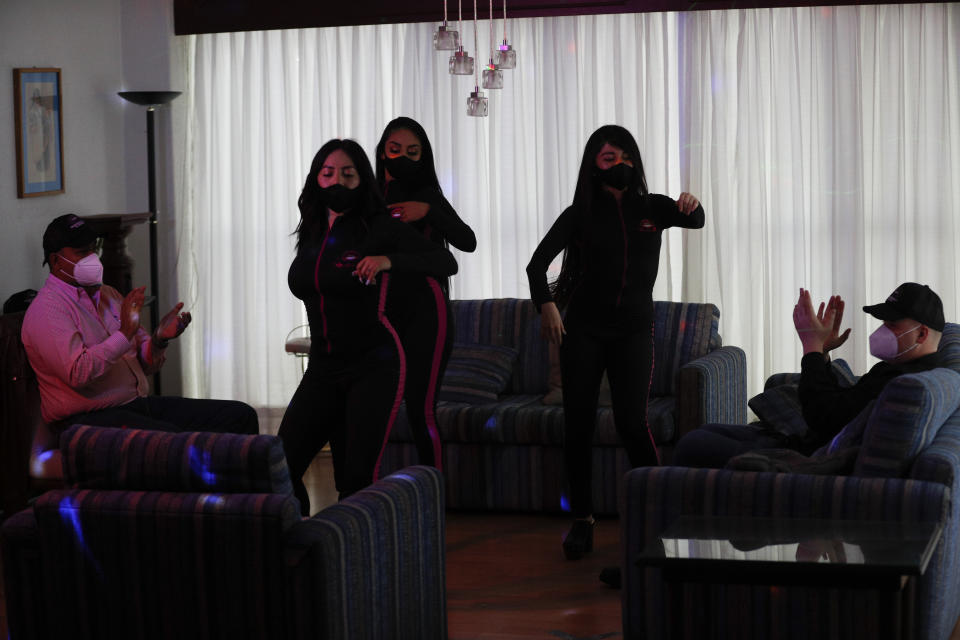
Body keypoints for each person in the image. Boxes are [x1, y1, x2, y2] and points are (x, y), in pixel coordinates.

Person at [526, 125, 705, 560]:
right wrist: (547, 306)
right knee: (579, 424)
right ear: (593, 165)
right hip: (583, 333)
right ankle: (582, 519)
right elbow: (536, 266)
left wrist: (692, 202)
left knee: (631, 422)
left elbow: (696, 220)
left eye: (625, 158)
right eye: (609, 158)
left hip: (633, 332)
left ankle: (658, 515)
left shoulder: (652, 208)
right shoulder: (580, 214)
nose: (619, 165)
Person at [279, 138, 458, 516]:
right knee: (281, 465)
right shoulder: (311, 228)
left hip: (374, 366)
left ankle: (358, 563)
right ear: (316, 179)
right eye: (328, 174)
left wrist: (387, 260)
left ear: (363, 179)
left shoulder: (378, 225)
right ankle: (301, 548)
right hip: (324, 368)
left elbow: (445, 261)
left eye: (348, 174)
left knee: (357, 479)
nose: (337, 182)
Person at [22, 214, 259, 437]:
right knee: (177, 441)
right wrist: (125, 333)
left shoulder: (109, 294)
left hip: (136, 404)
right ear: (56, 260)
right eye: (82, 252)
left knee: (240, 416)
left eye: (93, 249)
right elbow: (78, 373)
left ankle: (240, 480)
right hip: (88, 419)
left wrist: (158, 340)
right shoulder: (48, 310)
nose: (91, 258)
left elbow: (143, 365)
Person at [673, 283, 945, 468]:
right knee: (703, 433)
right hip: (805, 440)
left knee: (692, 444)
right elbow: (844, 405)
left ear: (921, 334)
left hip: (807, 456)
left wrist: (811, 348)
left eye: (892, 324)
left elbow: (824, 418)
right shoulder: (901, 368)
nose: (883, 330)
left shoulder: (905, 382)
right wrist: (823, 354)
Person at [375, 116, 477, 468]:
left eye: (412, 152)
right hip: (379, 313)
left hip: (426, 313)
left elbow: (467, 242)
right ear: (382, 152)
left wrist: (430, 211)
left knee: (421, 409)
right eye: (395, 149)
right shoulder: (370, 196)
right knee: (374, 405)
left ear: (423, 157)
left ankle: (433, 495)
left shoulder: (428, 196)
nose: (403, 156)